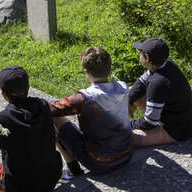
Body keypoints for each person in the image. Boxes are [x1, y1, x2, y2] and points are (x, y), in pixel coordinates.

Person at [51, 46, 133, 179]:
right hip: (126, 154)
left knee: (54, 116)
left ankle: (73, 169)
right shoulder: (122, 86)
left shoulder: (84, 98)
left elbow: (52, 109)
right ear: (109, 68)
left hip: (100, 162)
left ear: (86, 72)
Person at [128, 38, 192, 146]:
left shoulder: (158, 83)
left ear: (147, 58)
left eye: (141, 53)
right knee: (132, 92)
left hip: (175, 130)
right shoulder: (165, 64)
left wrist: (128, 125)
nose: (139, 55)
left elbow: (149, 122)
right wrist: (129, 101)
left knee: (125, 138)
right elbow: (140, 84)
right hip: (171, 115)